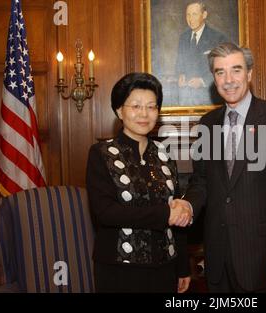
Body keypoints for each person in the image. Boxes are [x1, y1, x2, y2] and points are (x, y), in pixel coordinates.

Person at [171, 43, 266, 292]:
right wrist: (187, 204)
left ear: (250, 74)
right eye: (220, 72)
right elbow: (201, 181)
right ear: (214, 78)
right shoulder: (207, 124)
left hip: (263, 257)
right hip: (217, 255)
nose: (229, 80)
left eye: (236, 70)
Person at [86, 72, 192, 293]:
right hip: (119, 270)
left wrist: (183, 267)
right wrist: (164, 214)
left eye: (151, 107)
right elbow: (105, 212)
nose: (144, 114)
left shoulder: (164, 155)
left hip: (165, 267)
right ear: (119, 111)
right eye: (135, 106)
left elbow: (177, 213)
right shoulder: (101, 153)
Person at [175, 1, 229, 105]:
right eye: (188, 15)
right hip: (186, 99)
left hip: (209, 98)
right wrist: (180, 75)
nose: (190, 19)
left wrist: (203, 81)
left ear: (204, 15)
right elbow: (179, 65)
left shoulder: (217, 37)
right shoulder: (183, 37)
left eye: (194, 14)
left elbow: (224, 69)